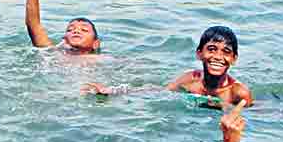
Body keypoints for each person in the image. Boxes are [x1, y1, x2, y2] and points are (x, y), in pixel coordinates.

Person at [83, 26, 254, 108]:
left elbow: (257, 114)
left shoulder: (238, 92)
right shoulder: (191, 79)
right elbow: (159, 91)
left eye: (226, 52)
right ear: (199, 53)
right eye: (211, 49)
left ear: (233, 59)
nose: (218, 57)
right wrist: (112, 91)